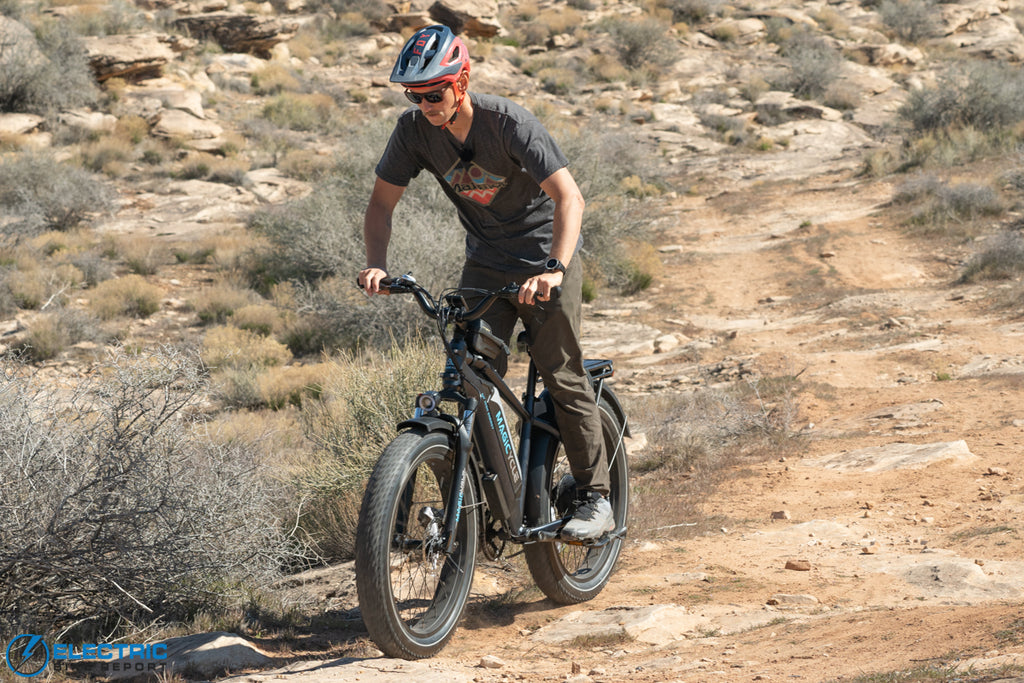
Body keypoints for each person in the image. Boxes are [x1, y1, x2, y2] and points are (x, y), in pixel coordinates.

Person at [357, 24, 612, 542]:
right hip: (486, 263)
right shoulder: (413, 132)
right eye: (415, 95)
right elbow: (381, 205)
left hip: (544, 255)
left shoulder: (508, 124)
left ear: (462, 81)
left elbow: (570, 199)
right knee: (466, 378)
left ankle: (596, 496)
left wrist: (554, 270)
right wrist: (376, 265)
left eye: (435, 93)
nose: (425, 104)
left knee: (560, 373)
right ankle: (472, 505)